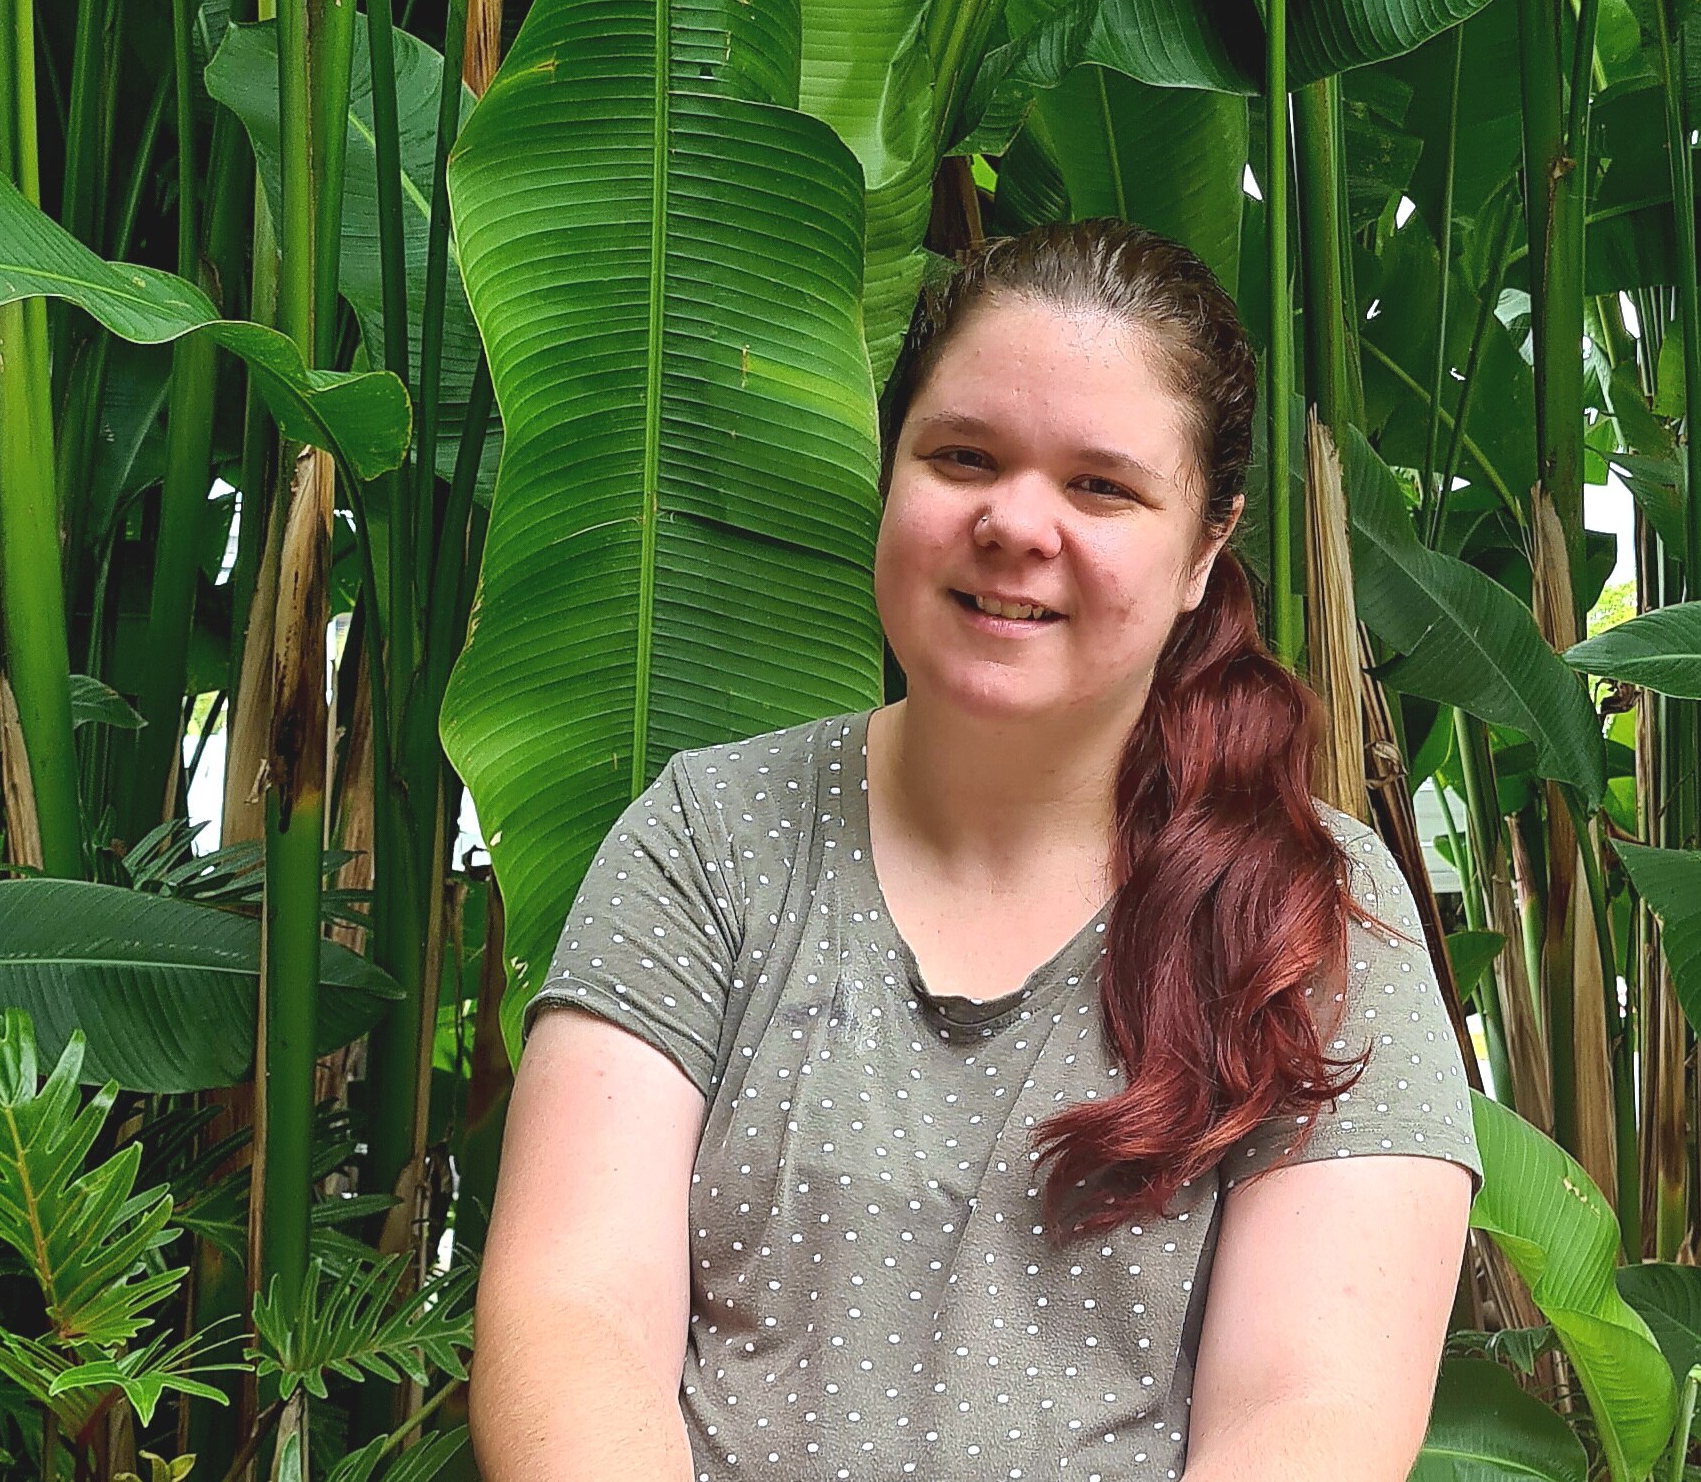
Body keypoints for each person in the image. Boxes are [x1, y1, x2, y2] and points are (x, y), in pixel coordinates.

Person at [469, 218, 1480, 1482]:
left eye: (1100, 486)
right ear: (893, 471)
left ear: (1203, 548)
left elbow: (1307, 1418)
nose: (1015, 522)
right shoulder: (710, 839)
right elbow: (573, 1325)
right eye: (963, 457)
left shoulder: (1309, 911)